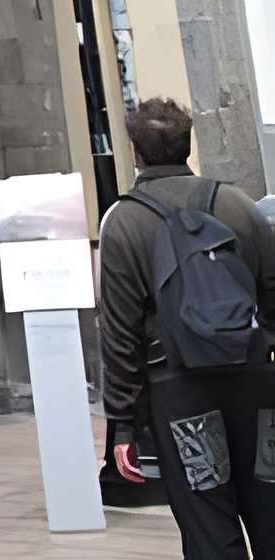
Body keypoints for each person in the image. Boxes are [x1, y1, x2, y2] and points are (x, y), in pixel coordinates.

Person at [101, 97, 275, 556]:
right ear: (187, 144)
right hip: (255, 385)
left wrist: (123, 424)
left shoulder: (125, 222)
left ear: (136, 151)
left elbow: (120, 334)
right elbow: (273, 291)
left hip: (181, 394)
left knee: (207, 520)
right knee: (270, 509)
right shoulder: (238, 205)